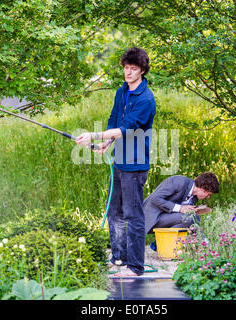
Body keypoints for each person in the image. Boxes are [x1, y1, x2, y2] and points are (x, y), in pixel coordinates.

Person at [76, 47, 156, 277]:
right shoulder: (122, 91)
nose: (128, 73)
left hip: (135, 165)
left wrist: (93, 136)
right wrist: (106, 144)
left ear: (142, 70)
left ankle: (136, 267)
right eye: (126, 68)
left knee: (133, 216)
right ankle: (118, 258)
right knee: (115, 214)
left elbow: (127, 128)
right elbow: (114, 119)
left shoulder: (146, 99)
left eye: (133, 69)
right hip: (118, 162)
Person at [143, 172, 219, 246]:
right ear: (202, 189)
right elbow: (155, 199)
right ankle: (205, 244)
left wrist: (195, 210)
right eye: (208, 194)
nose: (208, 197)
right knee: (189, 218)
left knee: (193, 218)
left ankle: (161, 244)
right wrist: (180, 208)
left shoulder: (194, 197)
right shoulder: (179, 182)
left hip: (165, 217)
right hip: (151, 217)